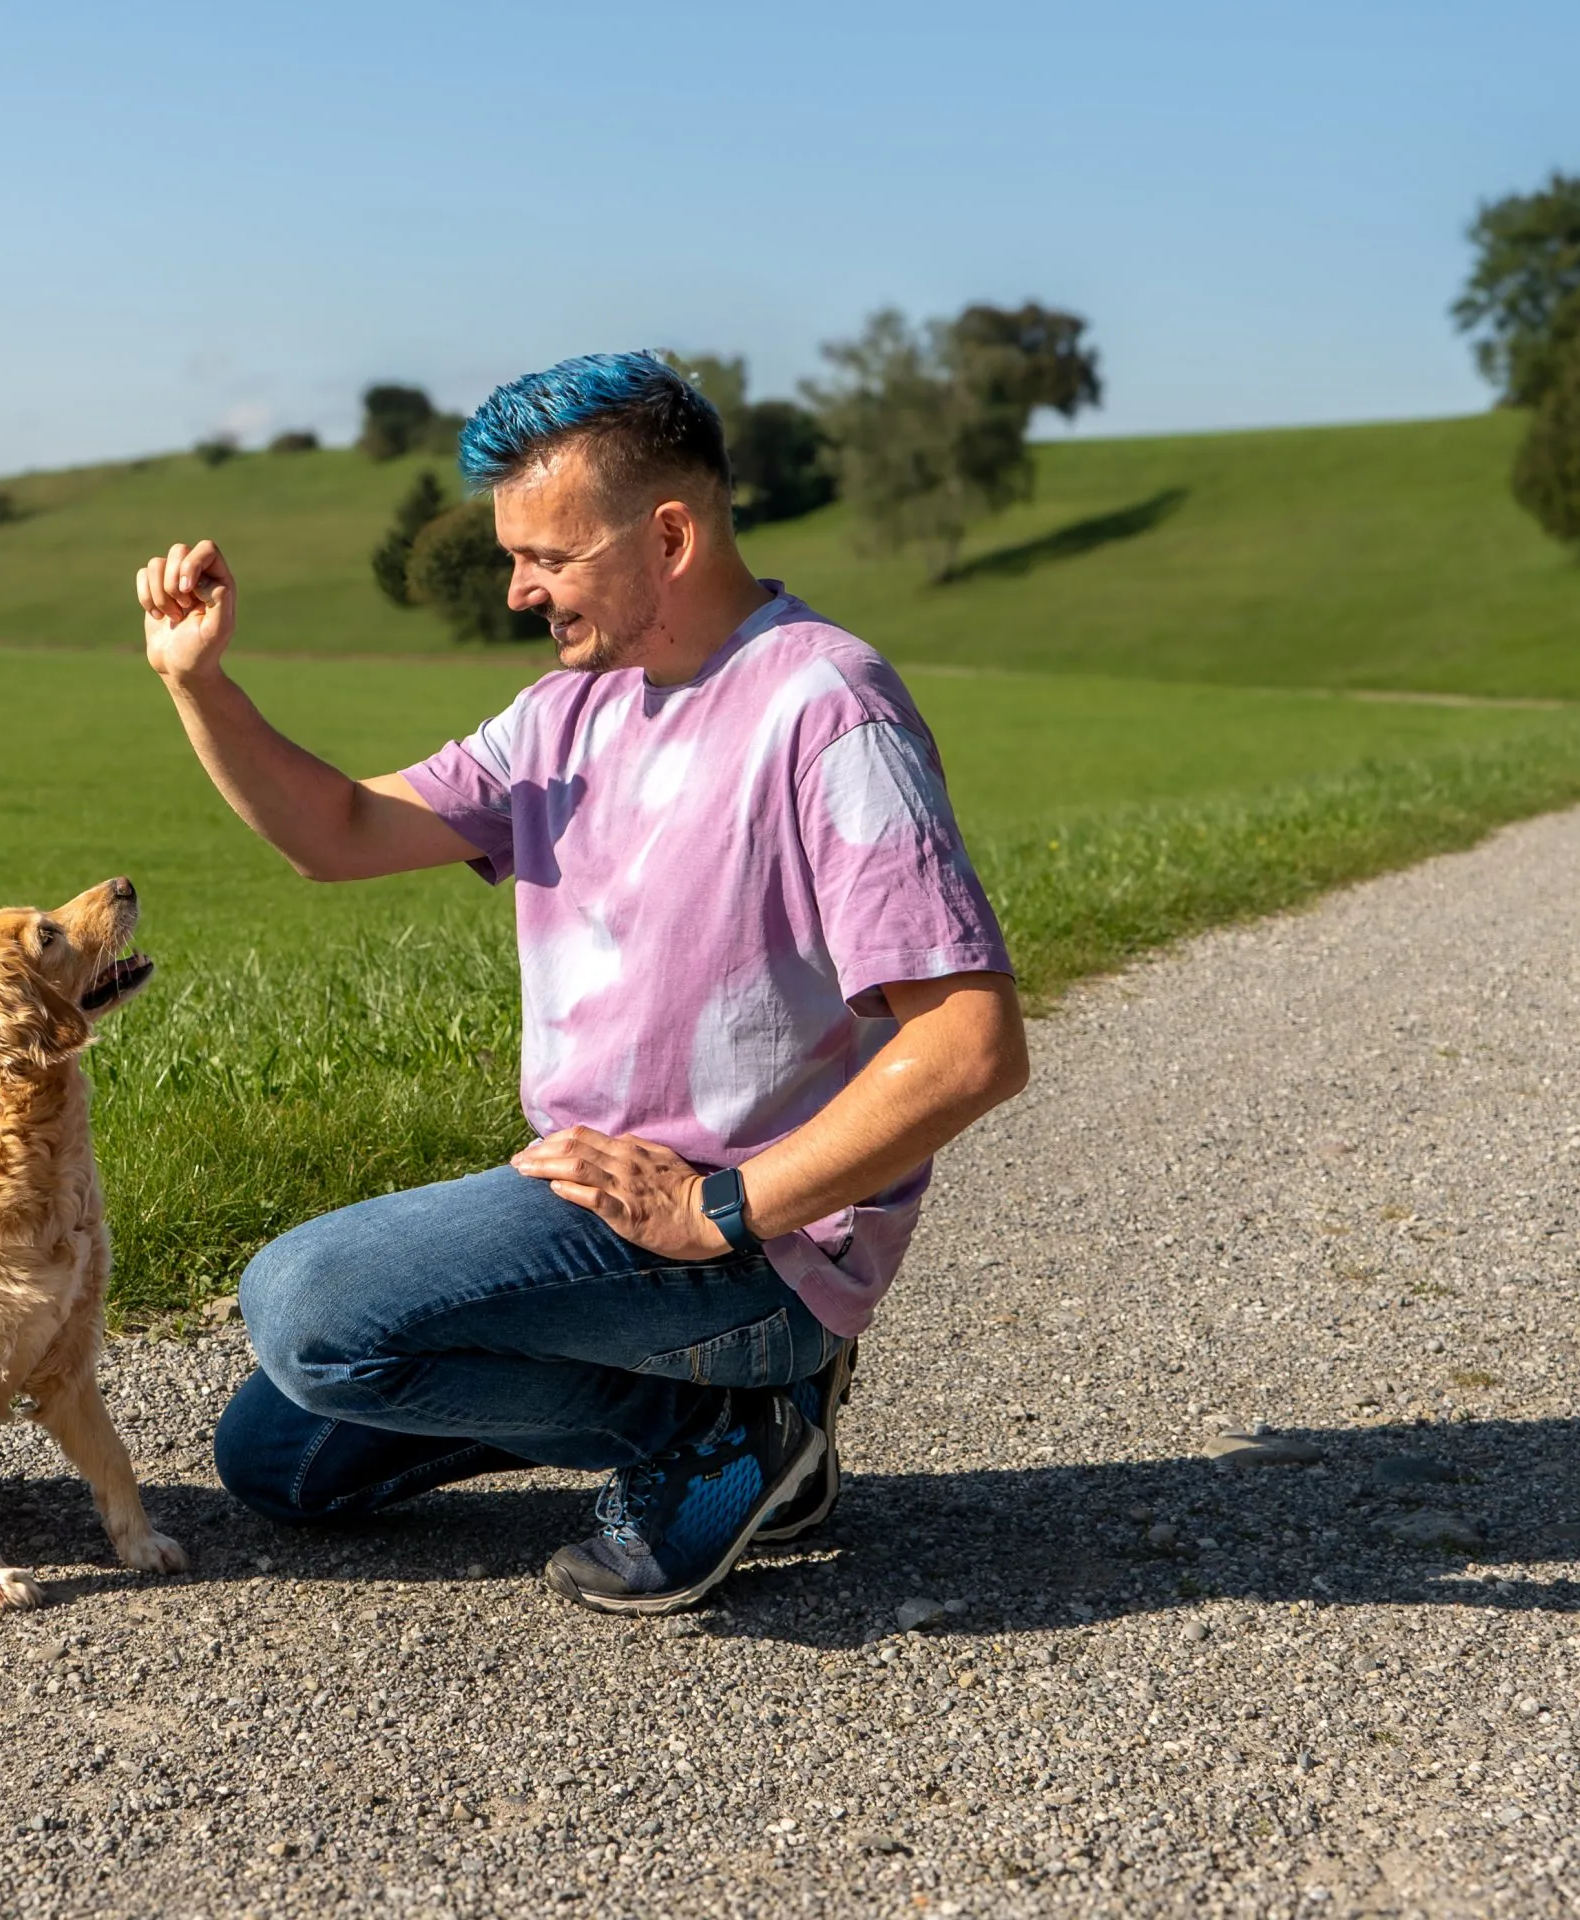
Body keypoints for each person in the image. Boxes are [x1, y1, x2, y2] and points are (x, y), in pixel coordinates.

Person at [132, 351, 1029, 1615]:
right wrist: (200, 685)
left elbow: (970, 1046)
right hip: (598, 1216)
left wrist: (724, 1208)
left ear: (668, 534)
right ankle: (700, 1411)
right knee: (279, 1456)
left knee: (309, 1301)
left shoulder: (826, 710)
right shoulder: (566, 714)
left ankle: (726, 1433)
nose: (515, 593)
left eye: (545, 557)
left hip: (745, 1243)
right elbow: (335, 832)